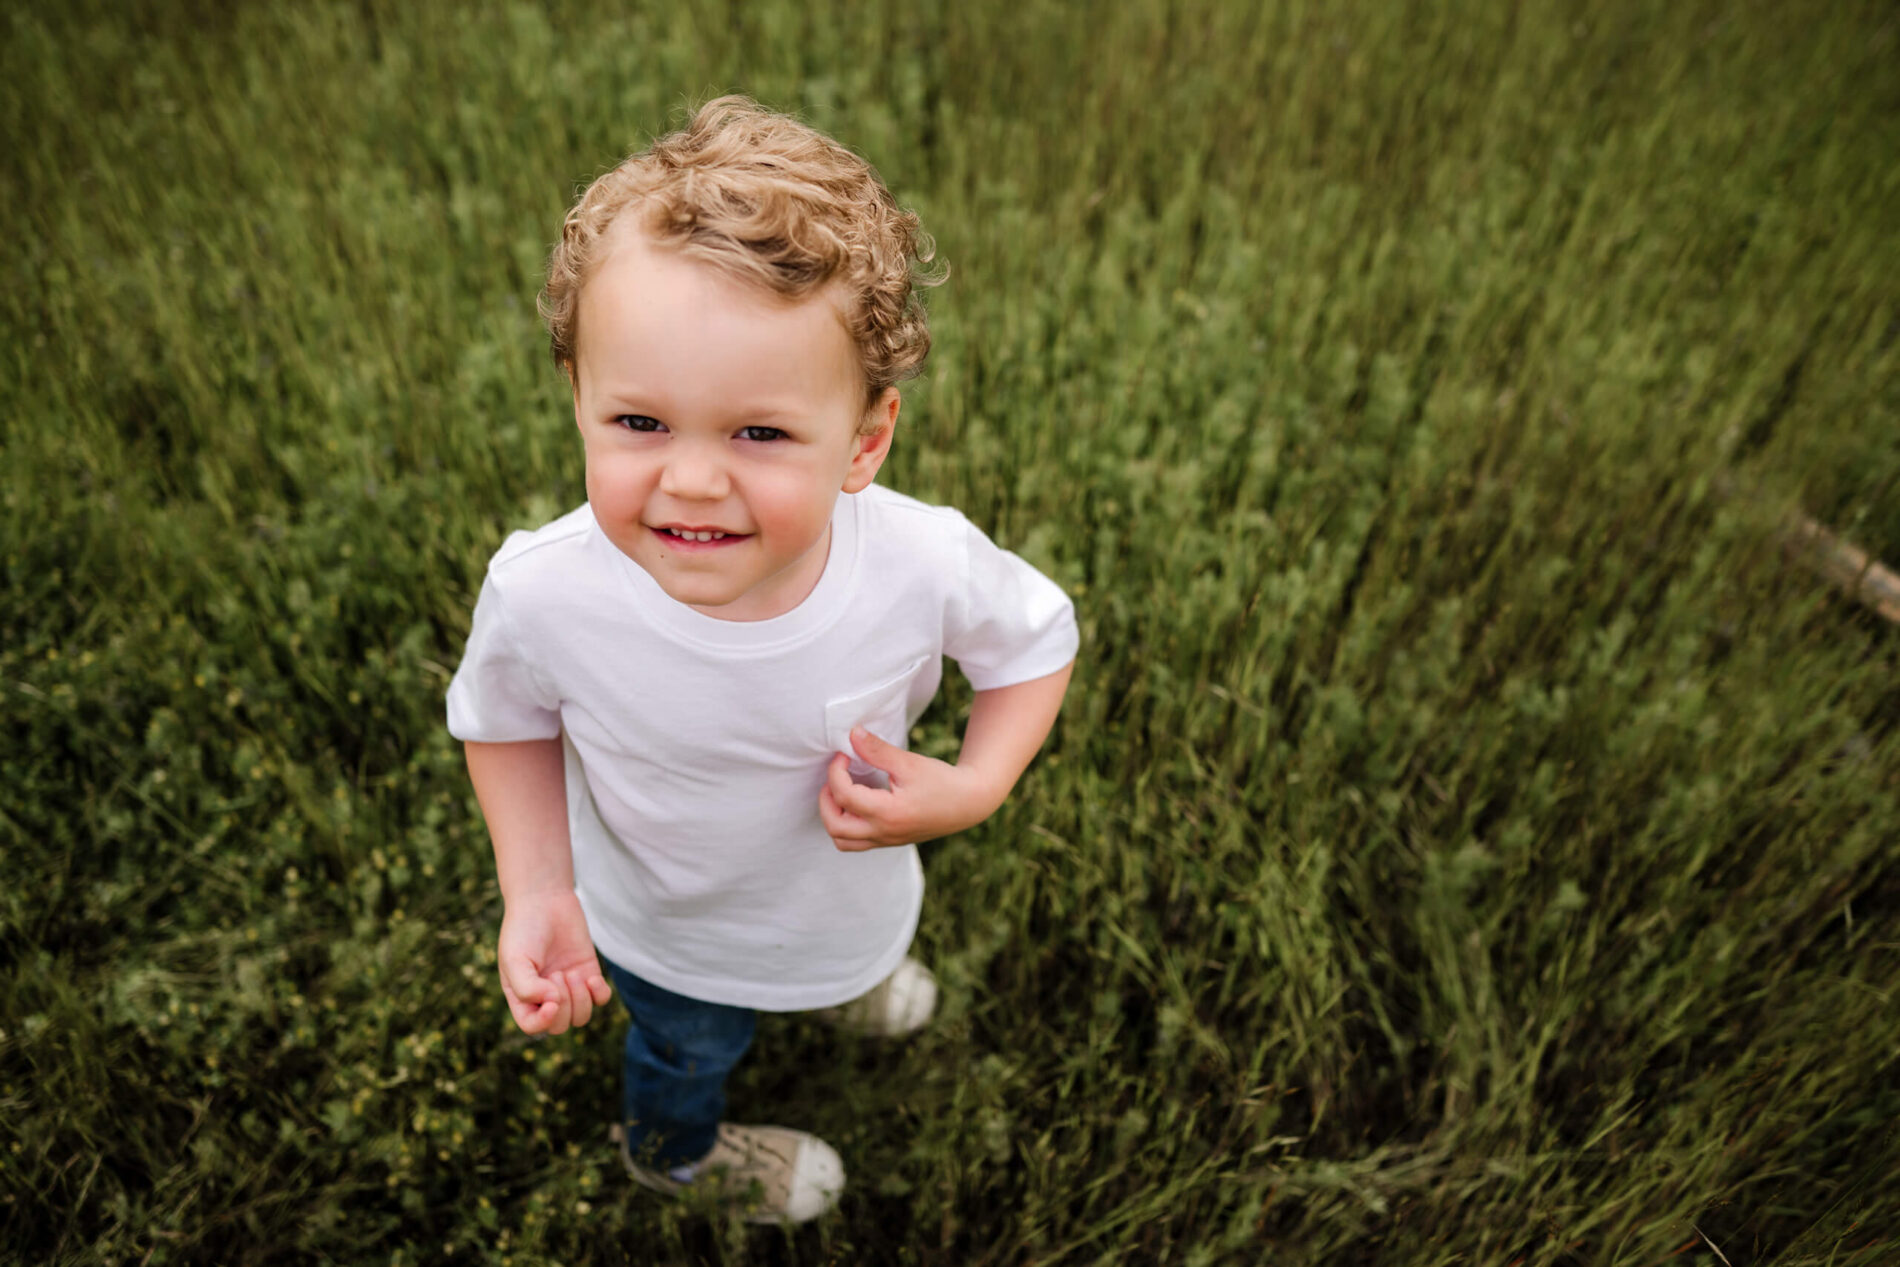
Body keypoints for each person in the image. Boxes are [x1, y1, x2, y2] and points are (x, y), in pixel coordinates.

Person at [445, 96, 1077, 1225]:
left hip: (842, 888)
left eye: (758, 432)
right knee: (689, 1048)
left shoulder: (918, 562)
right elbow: (504, 720)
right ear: (579, 402)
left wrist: (978, 784)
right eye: (639, 422)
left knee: (846, 948)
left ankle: (839, 976)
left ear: (865, 440)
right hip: (661, 925)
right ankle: (674, 1152)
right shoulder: (547, 591)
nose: (690, 479)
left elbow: (1034, 642)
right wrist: (539, 887)